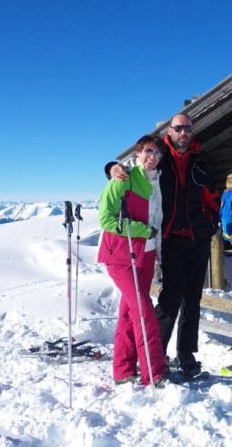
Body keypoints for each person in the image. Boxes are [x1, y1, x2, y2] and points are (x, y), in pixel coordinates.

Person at [106, 113, 219, 378]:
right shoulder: (158, 156)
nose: (183, 132)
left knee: (193, 298)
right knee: (171, 296)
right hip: (169, 239)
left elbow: (211, 195)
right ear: (170, 130)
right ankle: (157, 354)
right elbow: (129, 168)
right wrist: (111, 167)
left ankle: (186, 354)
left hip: (197, 238)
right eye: (178, 127)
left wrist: (210, 223)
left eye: (187, 128)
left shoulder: (199, 161)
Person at [98, 134, 167, 386]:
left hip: (146, 255)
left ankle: (123, 370)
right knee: (144, 311)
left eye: (157, 153)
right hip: (121, 255)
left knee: (129, 314)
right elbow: (106, 219)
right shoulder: (124, 178)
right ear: (137, 153)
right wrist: (143, 230)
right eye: (148, 151)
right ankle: (155, 373)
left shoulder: (157, 180)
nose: (153, 157)